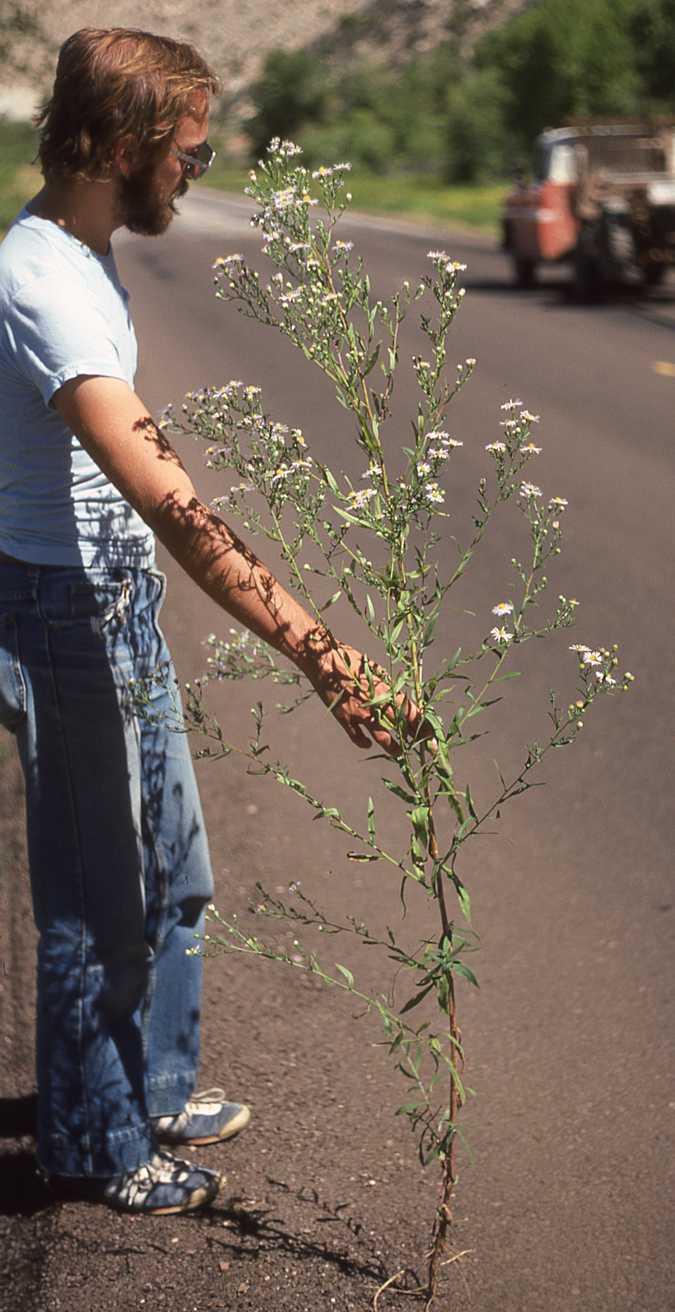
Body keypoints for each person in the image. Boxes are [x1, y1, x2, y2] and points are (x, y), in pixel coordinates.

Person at [0, 28, 419, 1215]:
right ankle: (94, 1142)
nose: (199, 166)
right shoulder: (38, 281)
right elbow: (176, 507)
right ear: (124, 144)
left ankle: (157, 1085)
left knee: (175, 872)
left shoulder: (85, 251)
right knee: (95, 903)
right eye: (189, 148)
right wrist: (328, 658)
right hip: (64, 614)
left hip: (117, 598)